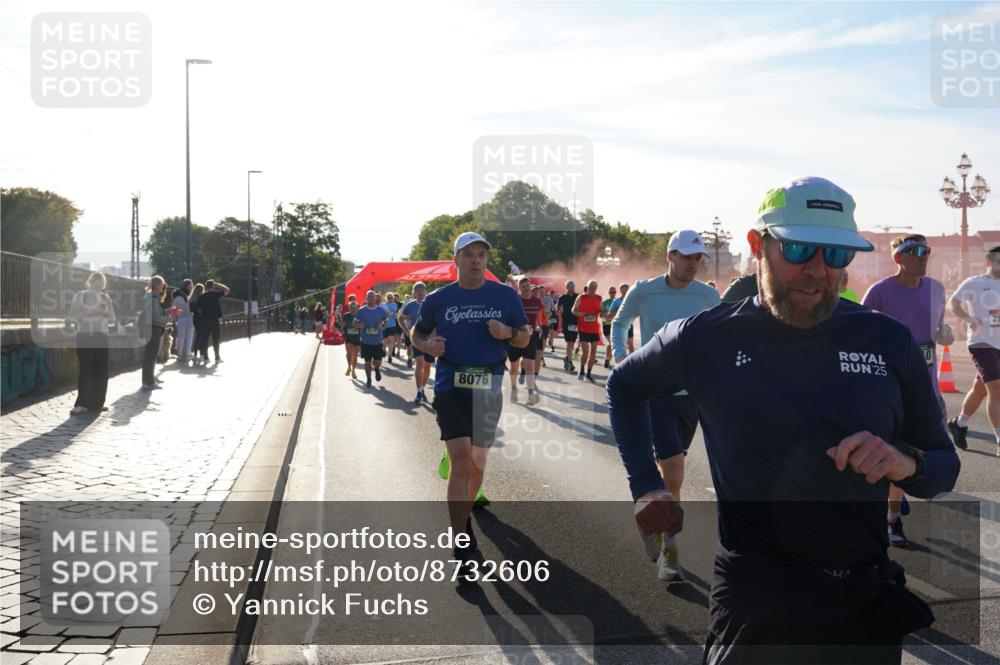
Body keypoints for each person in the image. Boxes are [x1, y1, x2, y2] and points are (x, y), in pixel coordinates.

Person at [607, 176, 959, 662]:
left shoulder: (888, 341)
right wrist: (646, 484)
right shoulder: (704, 337)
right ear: (758, 245)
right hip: (757, 601)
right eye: (798, 249)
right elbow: (623, 386)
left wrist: (905, 462)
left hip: (861, 601)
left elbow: (944, 465)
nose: (817, 270)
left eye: (836, 255)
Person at [411, 232, 529, 576]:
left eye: (481, 254)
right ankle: (461, 542)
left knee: (477, 462)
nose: (476, 260)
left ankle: (467, 507)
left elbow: (525, 335)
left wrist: (507, 333)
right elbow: (417, 334)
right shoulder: (438, 299)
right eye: (469, 254)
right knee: (461, 461)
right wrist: (428, 345)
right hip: (450, 388)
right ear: (456, 261)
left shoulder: (505, 295)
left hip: (489, 387)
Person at [610, 229, 720, 581]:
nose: (692, 264)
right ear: (670, 256)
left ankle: (651, 515)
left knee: (671, 472)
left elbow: (721, 336)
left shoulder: (708, 295)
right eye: (687, 256)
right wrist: (620, 356)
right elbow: (620, 321)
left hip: (691, 397)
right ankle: (669, 551)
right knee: (672, 467)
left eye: (698, 258)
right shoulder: (644, 290)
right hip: (652, 392)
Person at [862, 233, 954, 547]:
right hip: (889, 387)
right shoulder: (879, 294)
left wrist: (944, 334)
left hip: (927, 387)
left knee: (924, 452)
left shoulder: (937, 290)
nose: (923, 256)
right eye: (915, 252)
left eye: (926, 251)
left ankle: (896, 490)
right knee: (896, 451)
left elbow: (937, 330)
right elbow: (862, 337)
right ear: (898, 258)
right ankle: (892, 520)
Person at [949, 245, 1000, 457]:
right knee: (996, 389)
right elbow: (954, 303)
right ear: (988, 263)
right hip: (981, 343)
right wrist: (969, 319)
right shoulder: (975, 283)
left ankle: (959, 424)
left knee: (981, 389)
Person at [69, 272, 115, 415]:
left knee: (101, 369)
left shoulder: (105, 298)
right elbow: (73, 315)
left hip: (101, 335)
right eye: (96, 284)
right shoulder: (80, 296)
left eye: (101, 284)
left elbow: (113, 319)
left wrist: (104, 313)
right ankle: (81, 404)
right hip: (85, 335)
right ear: (90, 282)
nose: (99, 287)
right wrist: (93, 311)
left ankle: (97, 403)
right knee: (86, 369)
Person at [507, 276, 543, 405]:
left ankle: (530, 394)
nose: (526, 288)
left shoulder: (537, 301)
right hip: (516, 336)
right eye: (523, 286)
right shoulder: (515, 301)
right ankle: (513, 388)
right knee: (514, 366)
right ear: (519, 288)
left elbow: (537, 318)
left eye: (528, 286)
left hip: (531, 336)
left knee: (529, 366)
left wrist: (538, 326)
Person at [398, 282, 434, 403]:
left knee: (427, 366)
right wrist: (406, 330)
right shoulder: (409, 305)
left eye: (422, 290)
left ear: (425, 291)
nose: (420, 293)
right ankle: (419, 391)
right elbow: (400, 317)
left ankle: (423, 388)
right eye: (417, 291)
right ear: (414, 293)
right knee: (419, 363)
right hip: (417, 338)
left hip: (430, 339)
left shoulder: (431, 303)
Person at [355, 290, 388, 387]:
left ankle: (377, 369)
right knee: (367, 362)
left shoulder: (381, 310)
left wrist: (381, 325)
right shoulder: (361, 310)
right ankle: (368, 379)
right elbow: (355, 322)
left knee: (378, 362)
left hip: (377, 341)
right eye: (368, 296)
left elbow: (385, 321)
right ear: (366, 298)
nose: (370, 298)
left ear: (375, 298)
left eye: (372, 296)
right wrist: (359, 325)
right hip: (365, 341)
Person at [571, 280, 603, 381]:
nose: (592, 290)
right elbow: (573, 310)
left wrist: (603, 313)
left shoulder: (599, 298)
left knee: (593, 352)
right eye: (590, 288)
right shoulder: (581, 297)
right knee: (585, 351)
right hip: (583, 329)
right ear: (587, 288)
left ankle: (589, 373)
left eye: (594, 288)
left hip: (594, 330)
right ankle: (581, 370)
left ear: (596, 288)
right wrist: (579, 314)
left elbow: (602, 310)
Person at [141, 275, 169, 390]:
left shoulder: (152, 297)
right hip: (153, 329)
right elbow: (155, 317)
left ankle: (149, 379)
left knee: (151, 355)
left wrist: (168, 311)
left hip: (153, 328)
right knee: (151, 356)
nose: (163, 286)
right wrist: (168, 318)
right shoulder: (152, 298)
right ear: (157, 285)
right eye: (162, 284)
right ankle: (148, 382)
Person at [198, 279, 230, 361]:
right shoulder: (215, 294)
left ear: (206, 287)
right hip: (214, 320)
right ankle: (217, 356)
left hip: (205, 320)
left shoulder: (201, 296)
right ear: (213, 286)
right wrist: (218, 284)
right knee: (216, 338)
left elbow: (199, 309)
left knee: (205, 338)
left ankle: (205, 357)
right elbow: (227, 290)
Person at [557, 281, 579, 372]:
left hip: (575, 322)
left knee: (572, 342)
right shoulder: (563, 297)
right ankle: (570, 362)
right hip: (566, 322)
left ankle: (567, 357)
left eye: (573, 286)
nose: (572, 287)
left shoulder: (578, 297)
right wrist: (559, 310)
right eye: (570, 286)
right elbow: (557, 308)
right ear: (567, 287)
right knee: (569, 342)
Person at [608, 283, 635, 355]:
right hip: (619, 326)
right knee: (621, 347)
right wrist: (619, 311)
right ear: (621, 291)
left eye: (628, 290)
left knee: (631, 346)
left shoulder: (632, 300)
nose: (627, 291)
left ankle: (631, 363)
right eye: (625, 290)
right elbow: (609, 315)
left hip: (629, 324)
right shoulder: (616, 301)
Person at [172, 279, 194, 362]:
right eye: (191, 285)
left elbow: (174, 310)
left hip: (181, 319)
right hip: (191, 318)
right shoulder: (191, 297)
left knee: (180, 337)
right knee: (189, 337)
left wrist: (173, 319)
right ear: (188, 286)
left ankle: (179, 354)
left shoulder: (177, 297)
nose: (192, 287)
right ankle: (188, 353)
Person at [341, 300, 362, 379]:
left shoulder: (360, 316)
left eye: (354, 307)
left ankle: (353, 370)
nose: (353, 309)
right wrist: (342, 329)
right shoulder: (346, 315)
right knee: (349, 353)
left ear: (357, 308)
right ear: (349, 308)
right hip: (348, 337)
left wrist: (359, 327)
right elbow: (342, 325)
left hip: (357, 338)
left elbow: (362, 325)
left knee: (355, 356)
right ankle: (349, 366)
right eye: (351, 307)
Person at [189, 283, 208, 365]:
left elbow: (192, 310)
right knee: (202, 337)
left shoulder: (192, 299)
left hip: (195, 319)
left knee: (197, 336)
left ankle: (195, 354)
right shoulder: (202, 298)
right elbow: (202, 310)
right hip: (202, 319)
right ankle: (202, 355)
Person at [601, 286, 618, 369]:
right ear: (609, 293)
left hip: (615, 325)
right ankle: (607, 359)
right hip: (607, 325)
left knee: (612, 344)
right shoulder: (605, 303)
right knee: (611, 343)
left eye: (614, 292)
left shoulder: (618, 302)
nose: (613, 294)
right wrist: (607, 315)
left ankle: (607, 360)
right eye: (611, 292)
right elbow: (600, 315)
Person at [382, 293, 401, 362]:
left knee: (391, 341)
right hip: (384, 325)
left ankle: (389, 356)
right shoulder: (383, 305)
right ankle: (384, 350)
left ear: (393, 298)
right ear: (386, 298)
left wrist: (391, 314)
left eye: (391, 298)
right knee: (384, 341)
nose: (390, 299)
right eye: (388, 297)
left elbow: (395, 314)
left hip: (392, 325)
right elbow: (382, 314)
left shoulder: (394, 305)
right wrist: (389, 314)